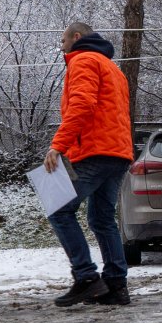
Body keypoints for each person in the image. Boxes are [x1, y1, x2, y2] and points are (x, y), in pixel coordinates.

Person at [44, 22, 134, 307]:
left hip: (95, 151)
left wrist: (58, 145)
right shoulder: (113, 68)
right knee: (102, 219)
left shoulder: (83, 61)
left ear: (76, 37)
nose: (61, 46)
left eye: (63, 40)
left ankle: (86, 278)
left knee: (59, 209)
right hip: (118, 152)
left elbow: (82, 105)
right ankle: (116, 286)